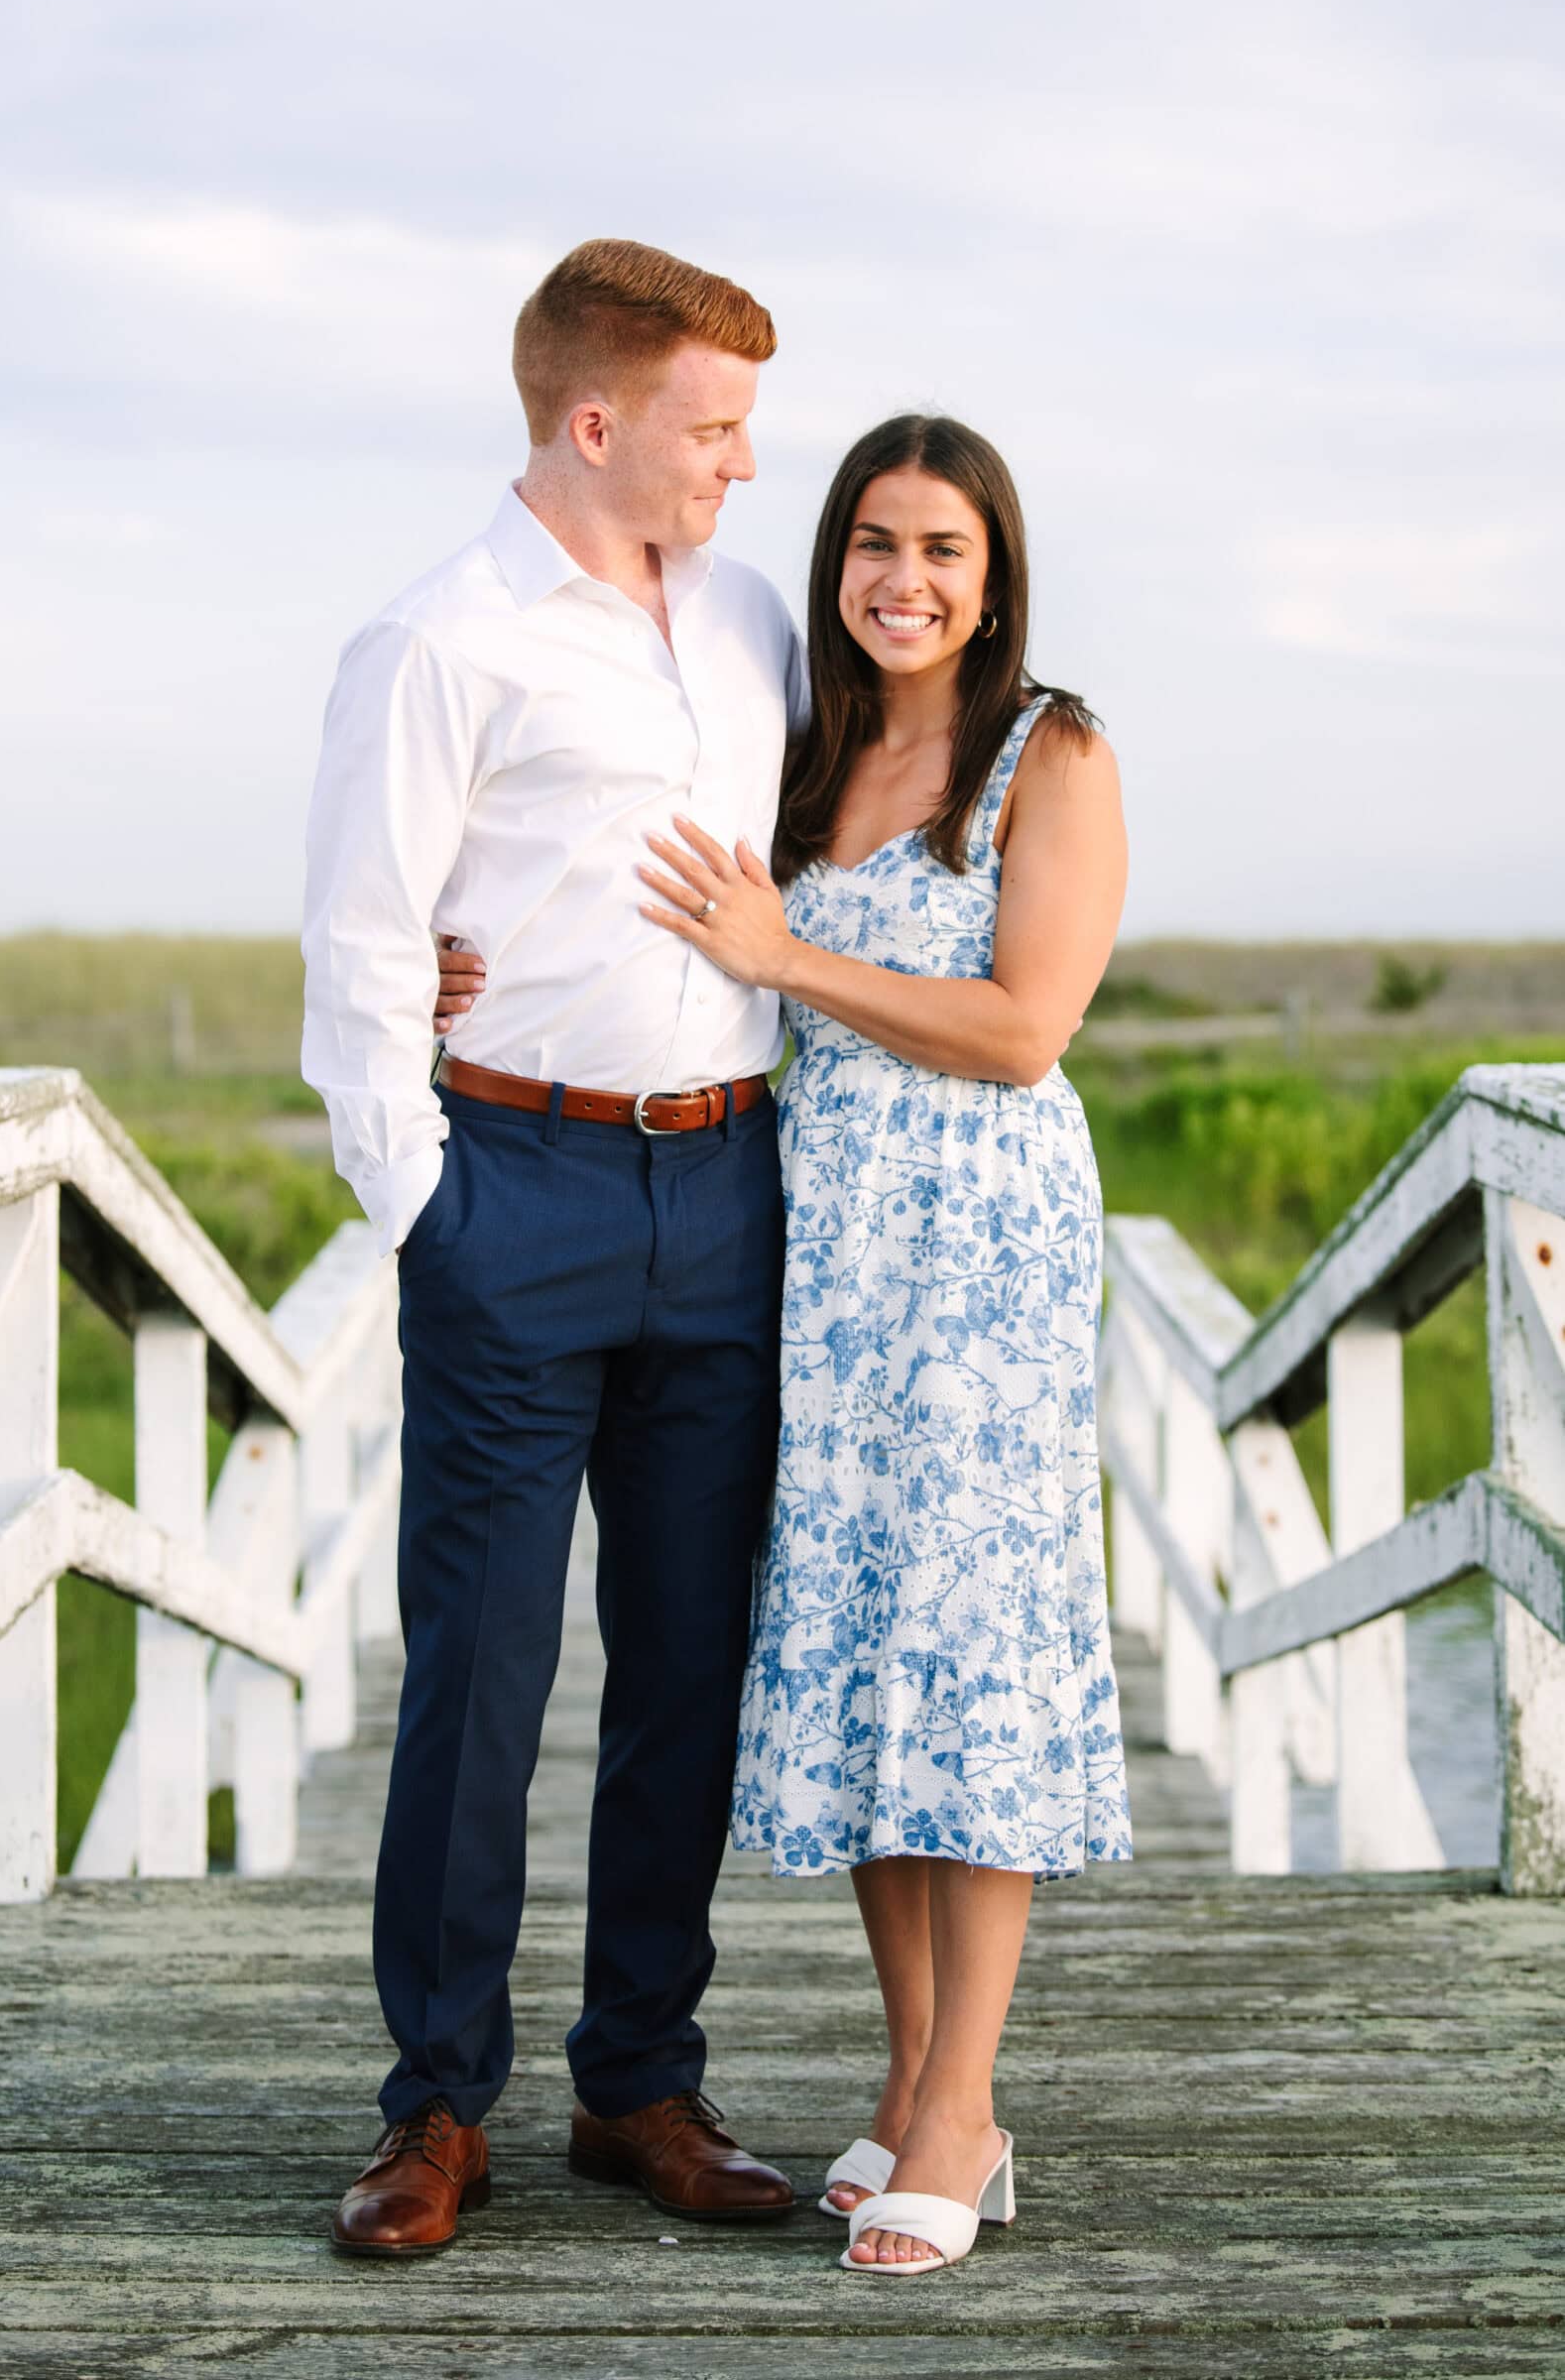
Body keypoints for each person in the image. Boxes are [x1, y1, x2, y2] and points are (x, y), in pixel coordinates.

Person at [439, 410, 1134, 2279]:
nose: (904, 581)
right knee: (871, 1663)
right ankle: (921, 2094)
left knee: (971, 1661)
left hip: (976, 1262)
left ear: (995, 581)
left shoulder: (1045, 752)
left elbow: (1021, 1028)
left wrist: (786, 956)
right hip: (819, 1258)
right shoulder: (815, 753)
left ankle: (971, 2100)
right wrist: (468, 959)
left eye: (944, 552)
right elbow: (630, 883)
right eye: (874, 547)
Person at [301, 238, 805, 2257]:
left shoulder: (757, 620)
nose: (742, 464)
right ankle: (435, 2105)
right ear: (596, 422)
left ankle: (637, 2081)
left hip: (726, 1193)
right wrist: (429, 1203)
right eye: (714, 426)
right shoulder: (436, 643)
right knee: (485, 1675)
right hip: (516, 1189)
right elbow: (358, 946)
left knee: (683, 1659)